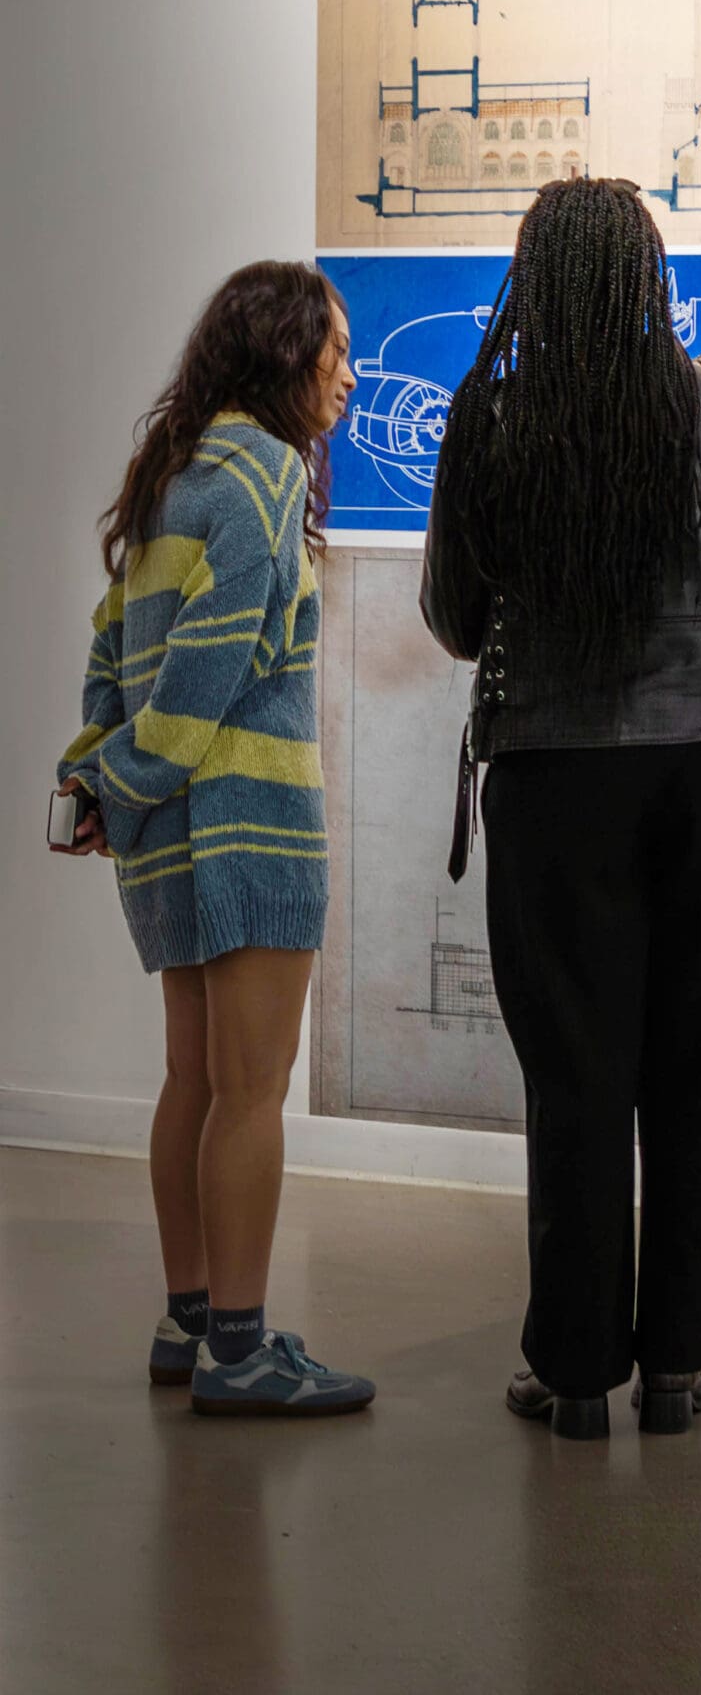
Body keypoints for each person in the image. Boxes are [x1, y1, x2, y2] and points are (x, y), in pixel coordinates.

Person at [420, 177, 701, 1443]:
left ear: (533, 284)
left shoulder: (492, 418)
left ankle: (578, 1371)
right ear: (651, 275)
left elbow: (451, 618)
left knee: (578, 1075)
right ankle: (679, 1368)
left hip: (553, 775)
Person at [53, 260, 376, 1417]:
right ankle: (240, 1350)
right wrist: (130, 774)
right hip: (249, 823)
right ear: (284, 354)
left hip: (170, 834)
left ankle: (190, 1322)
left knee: (193, 1078)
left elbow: (109, 649)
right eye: (333, 349)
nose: (348, 371)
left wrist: (96, 776)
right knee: (254, 1091)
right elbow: (215, 662)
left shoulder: (173, 480)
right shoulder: (265, 474)